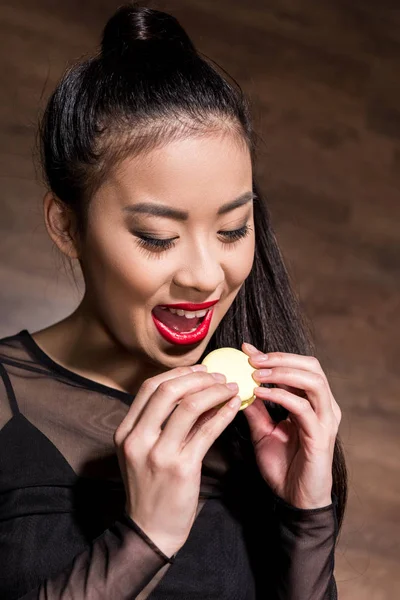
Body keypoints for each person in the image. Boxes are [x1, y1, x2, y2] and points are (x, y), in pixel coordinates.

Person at [0, 2, 348, 598]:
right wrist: (144, 538)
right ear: (66, 226)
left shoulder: (262, 430)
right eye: (157, 237)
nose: (207, 277)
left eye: (233, 230)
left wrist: (307, 519)